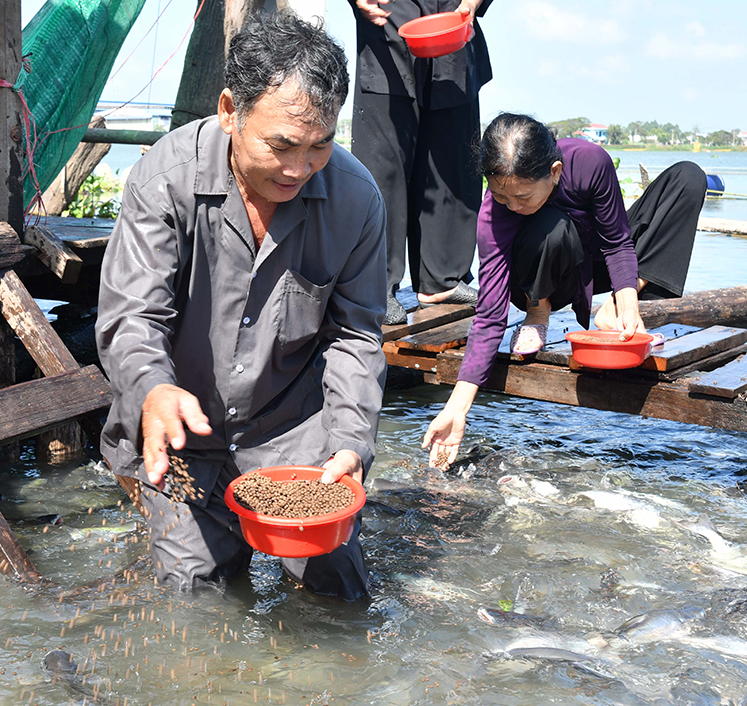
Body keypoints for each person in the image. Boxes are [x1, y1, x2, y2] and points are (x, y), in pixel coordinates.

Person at [96, 11, 387, 601]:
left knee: (339, 589)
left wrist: (352, 443)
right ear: (230, 110)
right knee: (196, 598)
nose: (298, 169)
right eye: (281, 145)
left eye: (320, 147)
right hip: (183, 430)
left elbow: (355, 336)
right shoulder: (164, 180)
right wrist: (153, 387)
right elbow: (132, 315)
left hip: (292, 432)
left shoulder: (357, 200)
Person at [422, 112, 707, 468]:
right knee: (549, 223)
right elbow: (490, 314)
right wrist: (456, 408)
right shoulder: (494, 214)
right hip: (541, 275)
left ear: (554, 171)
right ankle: (537, 309)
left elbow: (617, 241)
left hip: (594, 260)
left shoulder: (590, 162)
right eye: (501, 196)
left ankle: (618, 303)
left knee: (687, 179)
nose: (512, 206)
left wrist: (629, 303)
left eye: (522, 196)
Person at [350, 0, 494, 325]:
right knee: (383, 165)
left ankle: (442, 278)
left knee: (453, 154)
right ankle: (373, 286)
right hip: (387, 21)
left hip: (453, 23)